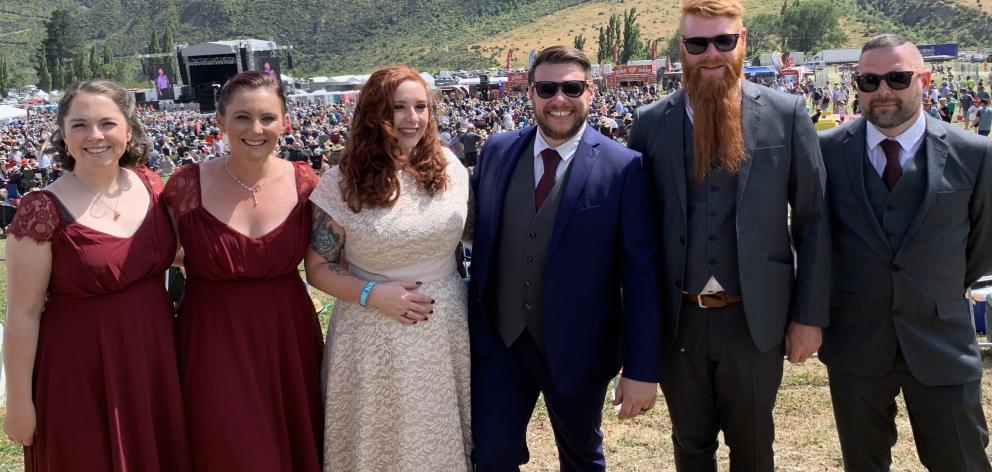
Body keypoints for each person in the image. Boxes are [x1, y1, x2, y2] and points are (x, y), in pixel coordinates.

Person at [627, 0, 830, 469]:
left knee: (755, 447)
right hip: (680, 319)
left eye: (723, 41)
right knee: (690, 446)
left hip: (755, 321)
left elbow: (813, 220)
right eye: (697, 43)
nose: (711, 53)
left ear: (743, 42)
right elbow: (635, 237)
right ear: (683, 48)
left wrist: (808, 316)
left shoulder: (786, 113)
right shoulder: (651, 122)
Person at [469, 46, 662, 471]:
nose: (559, 98)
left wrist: (641, 368)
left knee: (580, 459)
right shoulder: (497, 152)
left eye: (572, 87)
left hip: (581, 347)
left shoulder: (624, 167)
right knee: (491, 454)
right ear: (531, 94)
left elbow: (641, 275)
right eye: (547, 88)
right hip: (500, 343)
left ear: (591, 92)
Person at [818, 34, 992, 472]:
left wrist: (934, 290)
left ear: (924, 79)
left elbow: (981, 246)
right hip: (856, 345)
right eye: (869, 80)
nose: (883, 92)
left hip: (942, 342)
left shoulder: (975, 155)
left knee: (962, 462)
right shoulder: (826, 152)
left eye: (897, 78)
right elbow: (814, 241)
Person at [2, 79, 191, 470]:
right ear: (64, 137)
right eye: (80, 125)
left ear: (128, 129)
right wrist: (19, 402)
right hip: (79, 369)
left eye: (107, 123)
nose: (95, 136)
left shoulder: (151, 186)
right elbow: (22, 312)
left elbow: (172, 255)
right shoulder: (41, 208)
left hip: (153, 356)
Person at [305, 64, 471, 470]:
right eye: (399, 107)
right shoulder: (341, 182)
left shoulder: (450, 167)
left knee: (439, 439)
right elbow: (318, 268)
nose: (412, 119)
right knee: (379, 442)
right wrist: (372, 294)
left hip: (444, 325)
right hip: (371, 333)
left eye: (421, 107)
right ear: (374, 112)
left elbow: (471, 234)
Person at [161, 71, 323, 471]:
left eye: (268, 118)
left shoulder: (305, 183)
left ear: (285, 121)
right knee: (230, 445)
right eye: (242, 117)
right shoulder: (185, 186)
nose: (256, 129)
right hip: (213, 336)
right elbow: (160, 253)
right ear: (220, 121)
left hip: (288, 336)